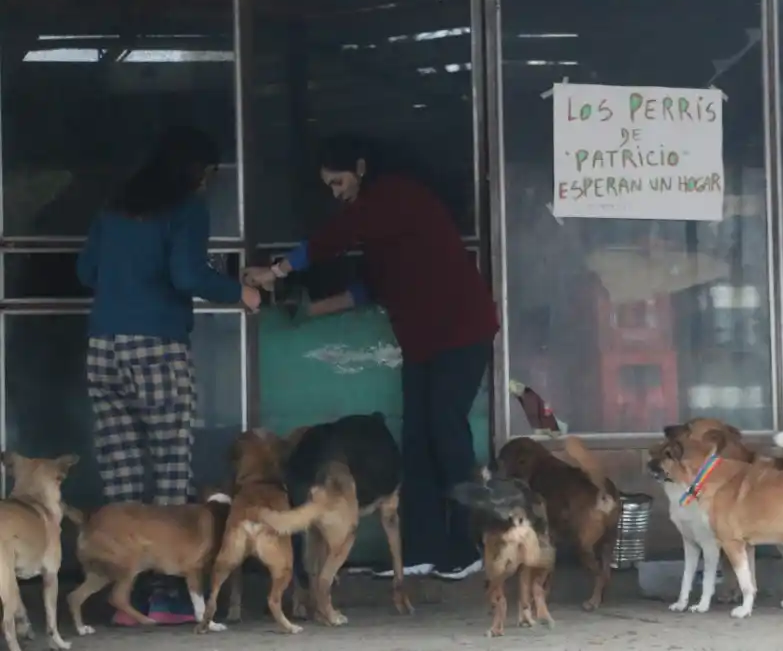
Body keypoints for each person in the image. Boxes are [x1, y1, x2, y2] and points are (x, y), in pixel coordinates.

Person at [243, 134, 498, 581]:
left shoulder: (394, 195)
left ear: (360, 168)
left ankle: (466, 548)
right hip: (422, 339)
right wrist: (313, 310)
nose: (335, 192)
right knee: (416, 439)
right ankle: (421, 549)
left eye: (338, 181)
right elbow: (374, 286)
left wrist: (277, 269)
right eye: (329, 186)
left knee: (447, 434)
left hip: (461, 332)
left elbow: (334, 238)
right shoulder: (380, 219)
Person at [76, 126, 261, 624]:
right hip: (157, 349)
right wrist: (237, 293)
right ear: (196, 172)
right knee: (170, 470)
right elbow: (187, 275)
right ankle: (166, 596)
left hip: (102, 349)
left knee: (122, 476)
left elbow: (85, 272)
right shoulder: (185, 210)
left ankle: (124, 596)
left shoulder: (113, 208)